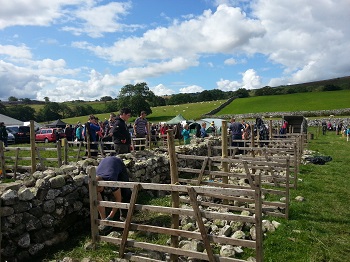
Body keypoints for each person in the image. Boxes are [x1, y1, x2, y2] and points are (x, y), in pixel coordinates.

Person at [96, 156, 131, 231]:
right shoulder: (94, 183)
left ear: (102, 184)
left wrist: (110, 217)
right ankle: (108, 220)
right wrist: (104, 220)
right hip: (106, 163)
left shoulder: (111, 179)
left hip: (117, 163)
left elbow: (118, 199)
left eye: (99, 190)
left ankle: (124, 216)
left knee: (125, 191)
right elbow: (99, 202)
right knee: (103, 194)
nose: (98, 192)